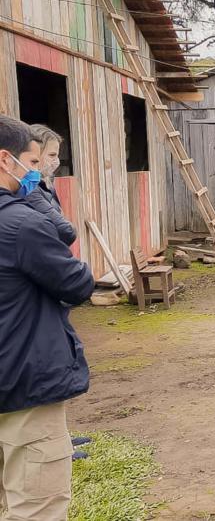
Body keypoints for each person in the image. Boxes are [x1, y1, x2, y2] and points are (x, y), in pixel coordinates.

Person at [0, 114, 96, 518]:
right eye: (33, 162)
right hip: (24, 381)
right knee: (36, 505)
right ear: (7, 161)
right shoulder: (21, 224)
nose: (36, 173)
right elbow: (77, 283)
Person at [25, 124, 76, 246]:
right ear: (35, 154)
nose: (56, 161)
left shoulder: (47, 183)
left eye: (57, 155)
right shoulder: (28, 188)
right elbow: (66, 230)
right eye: (52, 155)